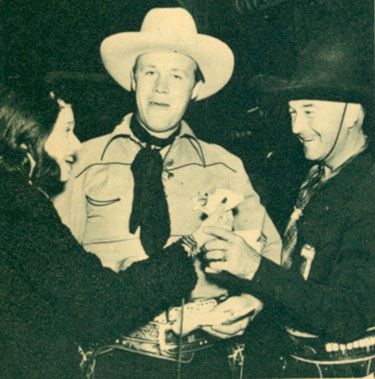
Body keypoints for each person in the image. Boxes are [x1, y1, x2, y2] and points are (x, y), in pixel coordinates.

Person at [54, 7, 282, 379]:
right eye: (150, 72)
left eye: (177, 75)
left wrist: (249, 304)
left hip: (208, 362)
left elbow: (271, 255)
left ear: (196, 88)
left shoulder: (225, 166)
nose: (161, 87)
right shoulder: (81, 161)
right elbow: (54, 270)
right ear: (132, 79)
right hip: (112, 358)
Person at [0, 82, 221, 379]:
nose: (76, 144)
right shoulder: (19, 207)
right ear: (28, 136)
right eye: (66, 130)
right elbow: (103, 304)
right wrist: (191, 245)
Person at [203, 28, 375, 378]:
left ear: (354, 114)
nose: (297, 126)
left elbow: (348, 314)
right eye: (293, 112)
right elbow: (305, 283)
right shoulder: (317, 177)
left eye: (309, 112)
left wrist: (254, 269)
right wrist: (256, 300)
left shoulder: (368, 191)